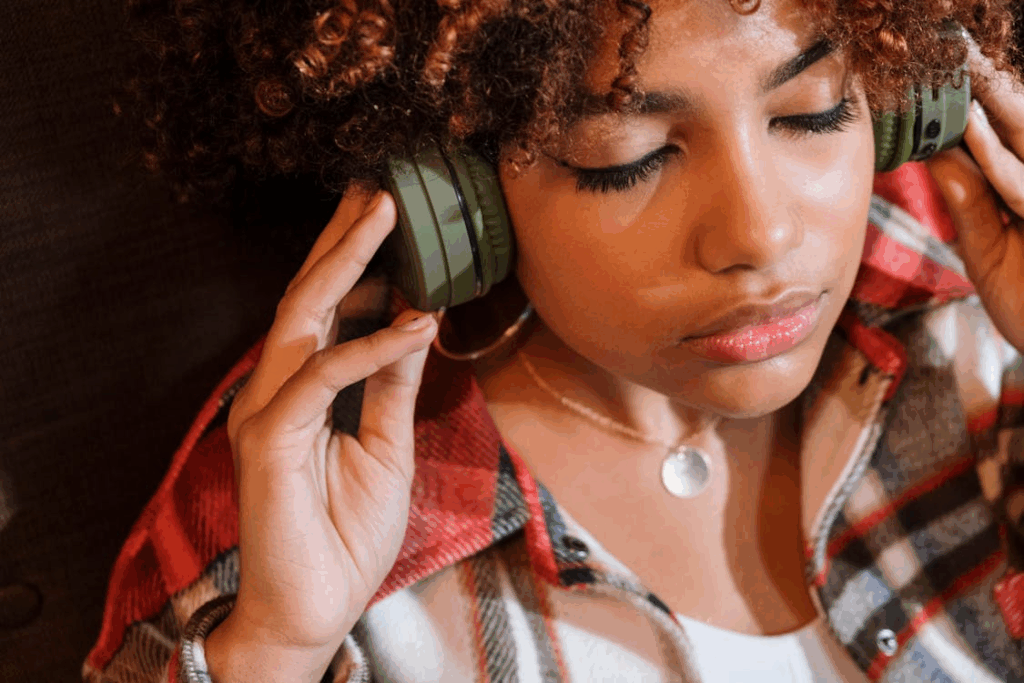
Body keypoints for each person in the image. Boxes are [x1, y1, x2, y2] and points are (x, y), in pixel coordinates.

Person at [83, 0, 1024, 680]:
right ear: (455, 192)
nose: (761, 235)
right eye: (628, 158)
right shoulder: (287, 506)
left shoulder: (974, 292)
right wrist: (275, 652)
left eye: (812, 111)